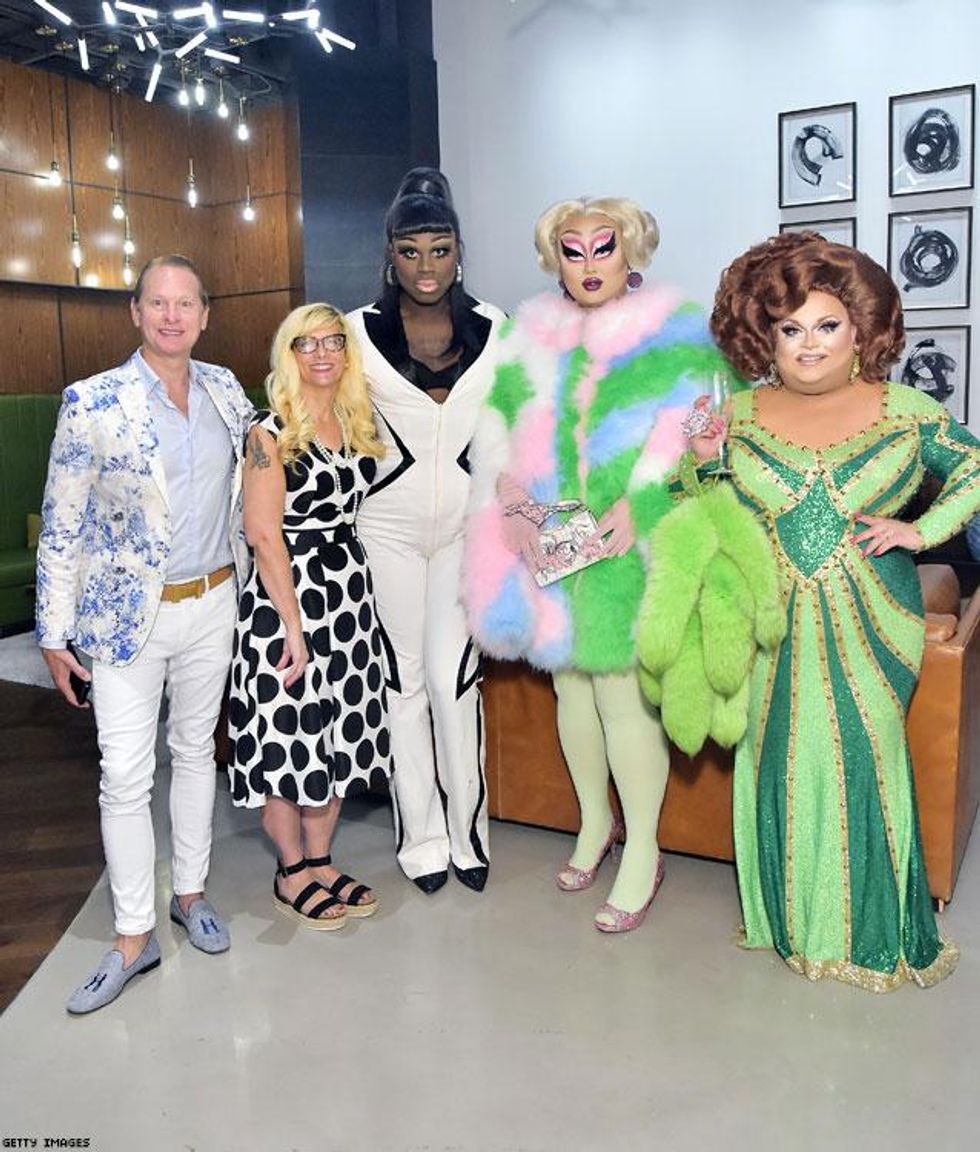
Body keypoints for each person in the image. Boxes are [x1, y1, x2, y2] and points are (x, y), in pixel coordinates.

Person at [695, 230, 980, 989]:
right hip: (771, 619)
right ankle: (789, 925)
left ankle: (878, 935)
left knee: (862, 754)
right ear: (767, 337)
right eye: (790, 329)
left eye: (826, 325)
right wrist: (696, 463)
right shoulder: (740, 416)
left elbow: (975, 468)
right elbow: (698, 508)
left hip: (874, 622)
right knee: (777, 757)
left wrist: (921, 530)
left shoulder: (907, 409)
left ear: (861, 328)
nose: (808, 344)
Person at [464, 196, 727, 931]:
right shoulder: (528, 334)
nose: (587, 264)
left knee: (619, 694)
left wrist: (637, 510)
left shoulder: (677, 331)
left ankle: (643, 848)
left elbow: (693, 439)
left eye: (601, 248)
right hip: (551, 534)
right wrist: (510, 497)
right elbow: (498, 419)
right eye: (571, 251)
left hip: (628, 543)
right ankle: (593, 825)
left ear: (630, 250)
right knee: (570, 692)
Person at [36, 254, 254, 1013]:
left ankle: (189, 895)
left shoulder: (228, 390)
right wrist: (54, 635)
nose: (171, 316)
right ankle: (133, 937)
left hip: (214, 603)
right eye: (156, 303)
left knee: (197, 752)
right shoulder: (91, 401)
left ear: (204, 314)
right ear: (135, 312)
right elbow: (62, 523)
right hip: (128, 619)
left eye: (185, 304)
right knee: (125, 776)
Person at [346, 169, 506, 894]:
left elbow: (514, 432)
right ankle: (421, 840)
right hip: (386, 528)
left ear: (459, 250)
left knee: (454, 680)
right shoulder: (353, 333)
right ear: (389, 253)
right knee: (403, 684)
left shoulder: (498, 328)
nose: (425, 266)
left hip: (467, 530)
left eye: (439, 250)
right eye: (410, 251)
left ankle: (469, 834)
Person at [227, 303, 392, 929]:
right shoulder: (268, 432)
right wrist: (294, 628)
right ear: (287, 355)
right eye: (306, 343)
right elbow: (263, 535)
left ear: (347, 353)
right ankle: (290, 870)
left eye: (333, 341)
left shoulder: (355, 422)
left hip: (348, 596)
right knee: (287, 739)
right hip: (286, 602)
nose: (322, 353)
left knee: (340, 735)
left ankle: (322, 860)